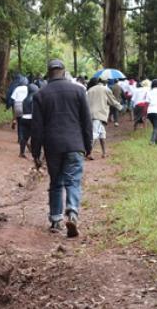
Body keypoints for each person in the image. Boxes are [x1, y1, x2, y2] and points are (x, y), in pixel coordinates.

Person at [31, 59, 93, 238]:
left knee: (56, 182)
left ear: (48, 73)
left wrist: (36, 152)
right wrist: (88, 145)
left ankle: (56, 219)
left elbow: (37, 128)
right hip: (75, 144)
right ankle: (72, 213)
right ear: (64, 72)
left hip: (53, 147)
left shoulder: (41, 95)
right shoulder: (79, 91)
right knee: (73, 181)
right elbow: (86, 121)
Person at [87, 77, 123, 159]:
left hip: (91, 114)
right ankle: (89, 153)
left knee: (102, 134)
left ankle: (104, 153)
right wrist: (121, 108)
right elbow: (112, 101)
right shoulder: (105, 89)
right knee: (95, 134)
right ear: (105, 82)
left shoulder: (90, 90)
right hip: (99, 115)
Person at [17, 83, 39, 158]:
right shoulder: (34, 99)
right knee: (34, 136)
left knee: (24, 137)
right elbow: (34, 110)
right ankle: (35, 153)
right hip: (31, 119)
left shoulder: (25, 99)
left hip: (24, 118)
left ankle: (21, 153)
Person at [9, 78, 29, 146]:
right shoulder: (28, 88)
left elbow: (13, 98)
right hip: (24, 105)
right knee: (24, 123)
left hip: (17, 105)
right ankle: (24, 138)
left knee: (19, 122)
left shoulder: (17, 88)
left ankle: (19, 138)